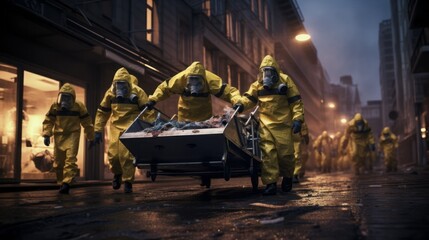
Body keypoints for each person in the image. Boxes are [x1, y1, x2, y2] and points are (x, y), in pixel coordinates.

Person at [236, 55, 304, 195]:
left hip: (283, 125)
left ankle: (287, 177)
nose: (267, 75)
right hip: (266, 125)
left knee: (286, 155)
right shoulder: (257, 85)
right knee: (268, 155)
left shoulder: (285, 81)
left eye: (270, 72)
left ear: (275, 72)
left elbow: (296, 102)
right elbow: (249, 98)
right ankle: (271, 183)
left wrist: (298, 119)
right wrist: (241, 104)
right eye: (264, 72)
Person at [94, 67, 154, 193]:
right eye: (118, 85)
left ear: (128, 84)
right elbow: (102, 112)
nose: (120, 88)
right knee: (114, 156)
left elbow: (147, 111)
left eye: (123, 85)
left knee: (126, 156)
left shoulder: (138, 92)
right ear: (114, 84)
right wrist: (98, 130)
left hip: (131, 126)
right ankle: (117, 174)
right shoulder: (110, 94)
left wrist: (151, 126)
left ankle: (127, 182)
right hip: (115, 127)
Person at [145, 61, 242, 122]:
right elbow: (164, 88)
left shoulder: (211, 80)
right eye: (191, 81)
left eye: (198, 82)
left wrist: (237, 101)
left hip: (204, 120)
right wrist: (153, 99)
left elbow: (229, 92)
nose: (194, 86)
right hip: (184, 118)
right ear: (187, 79)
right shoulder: (181, 78)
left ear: (203, 80)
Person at [42, 83, 94, 194]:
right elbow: (49, 120)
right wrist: (47, 133)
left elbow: (87, 122)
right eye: (63, 97)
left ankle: (67, 182)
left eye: (67, 97)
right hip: (59, 135)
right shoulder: (55, 106)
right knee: (59, 161)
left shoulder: (79, 106)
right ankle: (61, 182)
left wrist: (90, 137)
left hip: (72, 134)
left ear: (73, 98)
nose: (64, 100)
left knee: (70, 159)